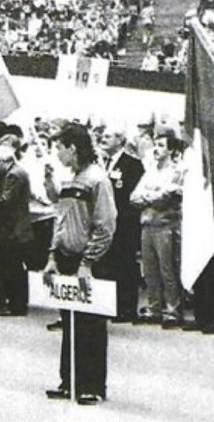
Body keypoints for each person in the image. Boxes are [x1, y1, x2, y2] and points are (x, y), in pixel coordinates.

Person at [43, 123, 116, 406]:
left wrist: (89, 261)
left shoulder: (97, 179)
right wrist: (52, 256)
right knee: (70, 322)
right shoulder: (69, 181)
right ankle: (69, 381)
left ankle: (92, 384)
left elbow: (105, 225)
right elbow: (60, 221)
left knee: (91, 326)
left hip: (88, 261)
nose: (57, 154)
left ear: (73, 148)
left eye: (59, 148)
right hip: (66, 258)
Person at [130, 134, 184, 328]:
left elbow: (166, 198)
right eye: (155, 145)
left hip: (165, 226)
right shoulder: (150, 171)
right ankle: (154, 307)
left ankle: (172, 309)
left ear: (171, 150)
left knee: (167, 269)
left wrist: (148, 197)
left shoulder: (176, 172)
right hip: (147, 225)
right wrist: (153, 195)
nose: (156, 149)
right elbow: (134, 197)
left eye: (161, 145)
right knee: (150, 269)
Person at [97, 127, 145, 324]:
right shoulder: (99, 163)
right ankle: (109, 306)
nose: (103, 139)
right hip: (104, 222)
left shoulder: (132, 164)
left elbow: (131, 195)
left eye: (108, 136)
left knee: (125, 265)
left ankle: (126, 308)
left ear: (120, 140)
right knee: (106, 264)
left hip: (124, 223)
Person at [0, 145, 33, 316]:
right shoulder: (17, 172)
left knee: (13, 268)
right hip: (14, 228)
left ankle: (17, 304)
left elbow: (6, 200)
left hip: (13, 229)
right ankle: (15, 302)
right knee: (12, 267)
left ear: (5, 161)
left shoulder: (13, 175)